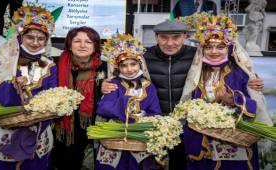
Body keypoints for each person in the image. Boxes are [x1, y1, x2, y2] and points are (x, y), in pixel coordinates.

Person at [102, 19, 264, 170]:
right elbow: (121, 74)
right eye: (164, 37)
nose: (170, 43)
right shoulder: (143, 58)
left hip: (187, 126)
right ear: (156, 37)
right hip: (156, 125)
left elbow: (232, 64)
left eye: (176, 37)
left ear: (186, 36)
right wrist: (103, 85)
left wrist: (252, 81)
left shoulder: (198, 56)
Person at [180, 15, 271, 170]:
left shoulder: (242, 74)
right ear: (203, 49)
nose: (214, 52)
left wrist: (233, 99)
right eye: (209, 47)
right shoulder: (196, 74)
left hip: (233, 143)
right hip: (202, 144)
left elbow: (254, 108)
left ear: (230, 48)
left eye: (220, 47)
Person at [0, 5, 57, 170]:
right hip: (6, 129)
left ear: (46, 40)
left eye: (41, 38)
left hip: (38, 130)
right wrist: (11, 84)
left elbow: (53, 95)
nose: (35, 43)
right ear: (21, 37)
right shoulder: (5, 60)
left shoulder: (49, 65)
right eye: (30, 37)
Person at [95, 34, 162, 170]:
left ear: (140, 64)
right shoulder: (113, 84)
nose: (129, 69)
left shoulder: (148, 86)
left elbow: (155, 111)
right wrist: (127, 103)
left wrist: (143, 121)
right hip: (115, 135)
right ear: (118, 67)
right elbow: (103, 107)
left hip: (140, 134)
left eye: (133, 64)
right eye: (124, 65)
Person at [51, 26, 107, 170]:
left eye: (88, 42)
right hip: (62, 128)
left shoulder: (105, 68)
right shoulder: (55, 64)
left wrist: (105, 89)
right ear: (69, 44)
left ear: (95, 46)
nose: (82, 45)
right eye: (77, 41)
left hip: (92, 127)